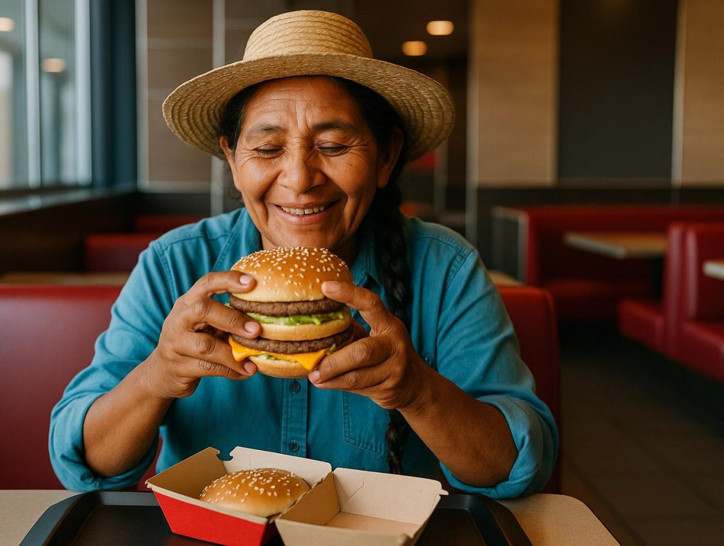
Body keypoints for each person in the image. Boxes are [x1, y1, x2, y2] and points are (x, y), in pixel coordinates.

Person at [50, 10, 557, 498]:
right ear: (232, 159)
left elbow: (514, 466)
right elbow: (86, 464)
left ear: (386, 157)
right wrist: (157, 375)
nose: (299, 179)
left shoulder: (445, 269)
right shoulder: (172, 266)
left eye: (333, 146)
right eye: (267, 149)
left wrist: (418, 392)